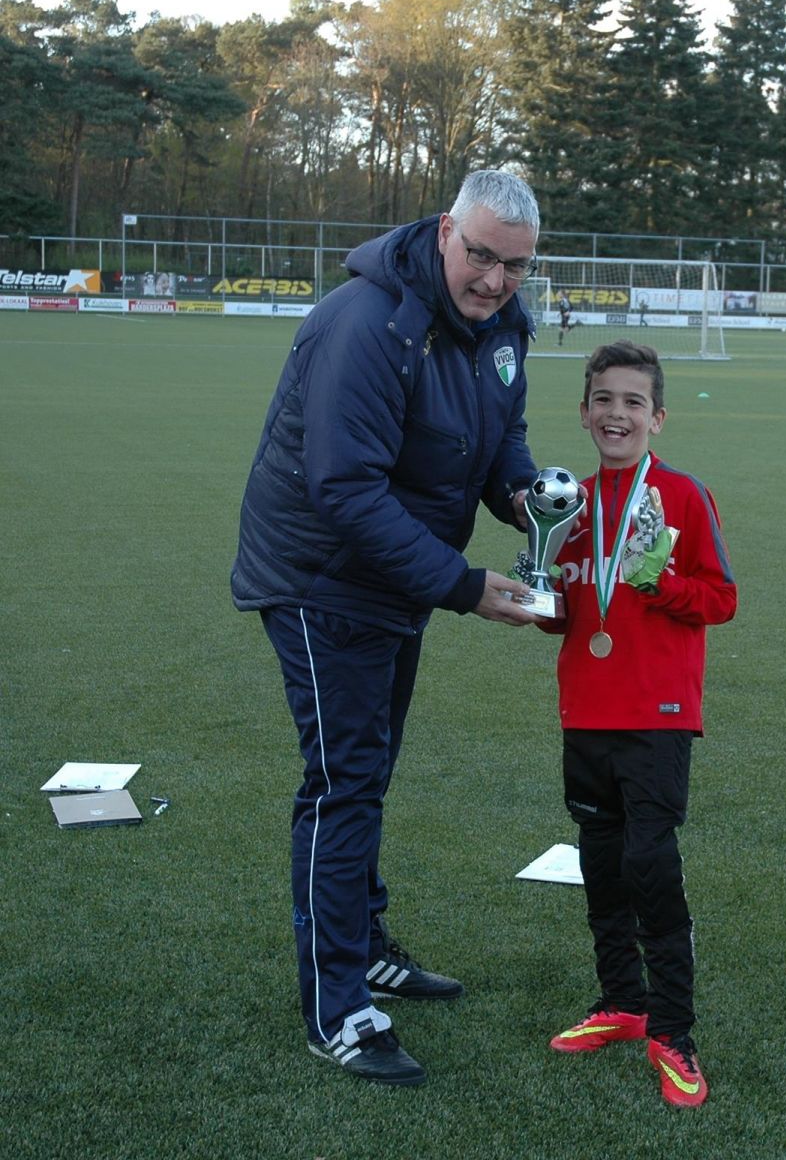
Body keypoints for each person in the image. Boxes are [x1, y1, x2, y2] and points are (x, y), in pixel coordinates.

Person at [231, 170, 543, 1088]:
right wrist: (460, 584)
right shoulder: (367, 323)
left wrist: (532, 504)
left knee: (367, 771)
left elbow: (501, 438)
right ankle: (338, 1007)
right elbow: (344, 488)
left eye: (515, 266)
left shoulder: (503, 324)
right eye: (480, 255)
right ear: (446, 230)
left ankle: (364, 947)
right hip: (321, 578)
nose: (494, 280)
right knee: (343, 783)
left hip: (392, 580)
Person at [538, 340, 737, 1108]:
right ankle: (621, 1001)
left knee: (650, 867)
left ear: (657, 417)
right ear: (584, 412)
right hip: (585, 712)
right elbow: (564, 613)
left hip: (658, 718)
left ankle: (674, 1033)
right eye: (603, 400)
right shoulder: (568, 503)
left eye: (632, 402)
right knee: (601, 864)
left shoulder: (682, 497)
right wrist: (537, 596)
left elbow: (721, 599)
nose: (615, 414)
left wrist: (661, 583)